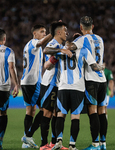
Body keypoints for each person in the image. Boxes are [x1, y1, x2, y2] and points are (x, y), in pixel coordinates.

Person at [44, 32, 105, 150]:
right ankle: (72, 145)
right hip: (78, 87)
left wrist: (60, 51)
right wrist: (102, 67)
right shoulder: (84, 51)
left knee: (61, 114)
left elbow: (47, 61)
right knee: (75, 117)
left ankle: (59, 141)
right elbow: (94, 67)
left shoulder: (62, 50)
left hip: (63, 86)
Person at [67, 16, 107, 150]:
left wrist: (74, 40)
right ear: (93, 26)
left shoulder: (81, 39)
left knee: (93, 111)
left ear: (80, 27)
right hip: (102, 79)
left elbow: (69, 47)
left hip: (91, 79)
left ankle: (95, 144)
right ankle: (103, 143)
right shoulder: (100, 39)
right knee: (102, 111)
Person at [38, 21, 72, 150]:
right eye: (65, 30)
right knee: (47, 113)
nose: (66, 32)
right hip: (50, 83)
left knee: (57, 114)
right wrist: (60, 50)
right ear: (58, 32)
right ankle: (43, 144)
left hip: (59, 83)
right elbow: (46, 51)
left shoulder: (61, 45)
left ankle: (54, 143)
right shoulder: (53, 44)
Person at [20, 24, 52, 148]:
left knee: (31, 111)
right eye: (42, 31)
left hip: (27, 81)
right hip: (33, 82)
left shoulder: (28, 45)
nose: (44, 34)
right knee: (44, 109)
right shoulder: (34, 42)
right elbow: (41, 42)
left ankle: (26, 142)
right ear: (35, 34)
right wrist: (53, 32)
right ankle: (28, 136)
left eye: (45, 31)